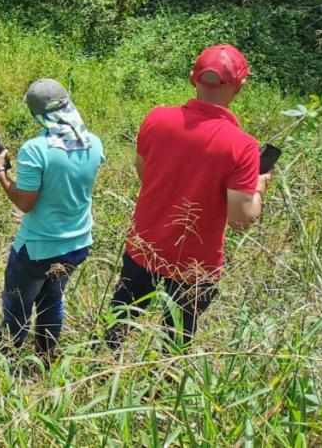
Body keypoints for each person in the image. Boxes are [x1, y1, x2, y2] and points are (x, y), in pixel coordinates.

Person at [105, 44, 270, 349]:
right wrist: (259, 185)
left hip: (144, 249)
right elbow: (241, 220)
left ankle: (97, 375)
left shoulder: (156, 118)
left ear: (194, 79)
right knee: (175, 345)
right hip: (195, 267)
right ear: (240, 87)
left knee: (117, 327)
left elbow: (145, 173)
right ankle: (162, 392)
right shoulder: (242, 146)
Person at [0, 79, 105, 362]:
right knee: (52, 299)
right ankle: (46, 357)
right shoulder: (93, 143)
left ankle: (8, 360)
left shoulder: (35, 149)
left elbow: (25, 202)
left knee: (18, 306)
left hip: (37, 248)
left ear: (36, 113)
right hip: (77, 244)